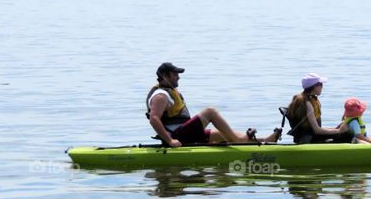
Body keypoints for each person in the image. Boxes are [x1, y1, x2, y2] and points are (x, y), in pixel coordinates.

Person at [146, 62, 278, 147]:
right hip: (177, 137)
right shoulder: (161, 96)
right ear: (165, 76)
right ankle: (240, 140)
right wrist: (170, 141)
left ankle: (264, 141)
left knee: (223, 134)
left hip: (184, 133)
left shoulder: (169, 92)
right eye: (175, 74)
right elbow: (154, 118)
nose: (178, 77)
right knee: (210, 111)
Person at [285, 73, 353, 144]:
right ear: (315, 86)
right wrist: (339, 131)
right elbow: (316, 130)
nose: (322, 87)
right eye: (321, 84)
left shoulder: (307, 98)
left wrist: (336, 129)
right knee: (347, 135)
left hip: (311, 135)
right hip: (309, 139)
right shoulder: (307, 104)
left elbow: (314, 128)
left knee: (343, 133)